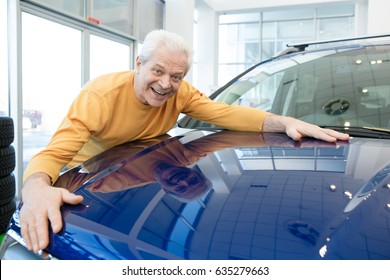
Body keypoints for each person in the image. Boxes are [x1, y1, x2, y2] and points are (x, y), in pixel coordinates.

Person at [20, 29, 350, 253]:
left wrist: (285, 121)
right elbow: (54, 152)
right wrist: (36, 189)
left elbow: (226, 114)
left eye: (176, 76)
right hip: (95, 179)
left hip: (144, 161)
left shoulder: (182, 95)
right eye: (158, 71)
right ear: (139, 64)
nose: (166, 84)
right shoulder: (100, 97)